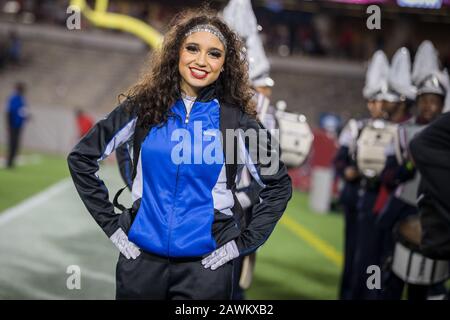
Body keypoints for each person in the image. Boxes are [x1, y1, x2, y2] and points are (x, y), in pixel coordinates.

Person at [67, 9, 292, 300]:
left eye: (214, 54)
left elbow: (280, 185)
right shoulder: (143, 108)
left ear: (225, 65)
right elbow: (82, 157)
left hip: (206, 270)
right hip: (140, 262)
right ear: (176, 53)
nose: (201, 61)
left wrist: (241, 244)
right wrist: (112, 226)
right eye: (192, 49)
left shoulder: (238, 121)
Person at [377, 41, 449, 300]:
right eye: (425, 100)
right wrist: (409, 165)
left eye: (436, 101)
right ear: (418, 101)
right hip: (403, 209)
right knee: (390, 279)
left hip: (436, 214)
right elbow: (387, 177)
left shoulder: (445, 137)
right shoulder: (402, 132)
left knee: (430, 285)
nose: (430, 107)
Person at [334, 50, 385, 300]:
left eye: (383, 101)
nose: (379, 106)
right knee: (354, 254)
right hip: (357, 198)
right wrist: (348, 171)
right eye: (375, 101)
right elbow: (339, 161)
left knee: (376, 259)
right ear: (368, 102)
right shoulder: (355, 127)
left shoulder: (395, 130)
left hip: (381, 201)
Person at [5, 82, 28, 168]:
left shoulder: (22, 99)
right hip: (13, 125)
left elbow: (23, 111)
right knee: (12, 144)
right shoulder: (13, 98)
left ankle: (12, 161)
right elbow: (8, 112)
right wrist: (9, 125)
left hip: (19, 126)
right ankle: (9, 162)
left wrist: (27, 117)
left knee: (16, 144)